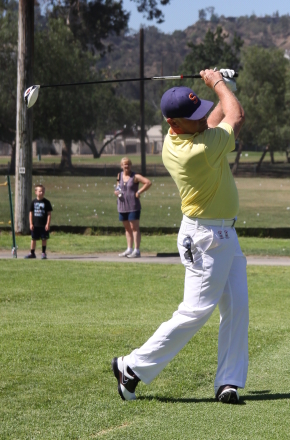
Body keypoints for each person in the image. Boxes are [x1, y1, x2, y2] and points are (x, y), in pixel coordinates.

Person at [112, 68, 249, 404]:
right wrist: (217, 82)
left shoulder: (186, 136)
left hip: (223, 234)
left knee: (237, 308)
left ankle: (227, 381)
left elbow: (214, 116)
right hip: (206, 237)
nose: (203, 119)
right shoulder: (196, 151)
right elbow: (235, 115)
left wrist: (222, 86)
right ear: (174, 124)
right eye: (195, 117)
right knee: (195, 310)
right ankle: (131, 366)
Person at [115, 157, 152, 258]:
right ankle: (129, 249)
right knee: (127, 228)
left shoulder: (135, 176)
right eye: (124, 164)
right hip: (122, 205)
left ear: (131, 165)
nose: (126, 166)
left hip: (133, 205)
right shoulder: (119, 175)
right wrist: (116, 191)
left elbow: (148, 183)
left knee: (134, 228)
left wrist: (139, 192)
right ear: (121, 165)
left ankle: (137, 250)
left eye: (128, 164)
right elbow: (118, 186)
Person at [24, 184, 53, 260]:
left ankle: (43, 253)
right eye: (40, 191)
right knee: (33, 239)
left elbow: (49, 214)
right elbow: (31, 213)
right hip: (35, 224)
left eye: (43, 191)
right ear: (36, 192)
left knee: (44, 238)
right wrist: (31, 223)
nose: (42, 192)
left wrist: (47, 224)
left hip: (43, 224)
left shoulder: (47, 202)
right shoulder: (33, 202)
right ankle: (32, 253)